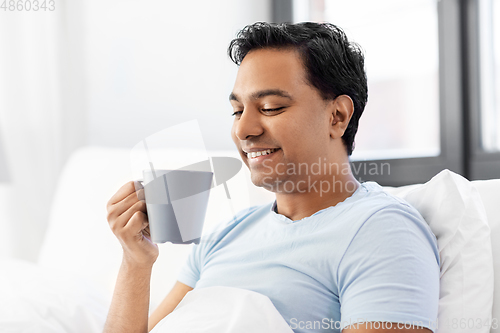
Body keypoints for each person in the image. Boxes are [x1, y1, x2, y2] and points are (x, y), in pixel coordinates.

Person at [103, 22, 440, 333]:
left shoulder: (381, 231)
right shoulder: (226, 235)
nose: (243, 130)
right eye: (237, 111)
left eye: (270, 107)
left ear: (337, 116)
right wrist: (136, 261)